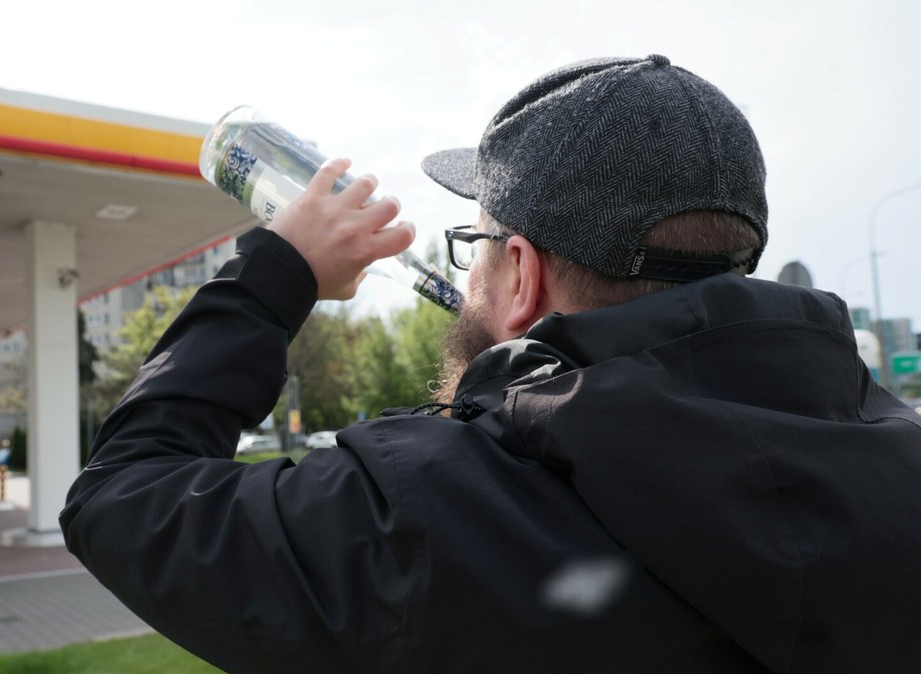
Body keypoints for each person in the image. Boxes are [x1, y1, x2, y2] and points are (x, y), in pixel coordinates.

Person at [59, 55, 921, 672]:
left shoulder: (430, 518)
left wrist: (274, 276)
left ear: (520, 273)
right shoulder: (899, 465)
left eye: (475, 244)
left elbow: (121, 496)